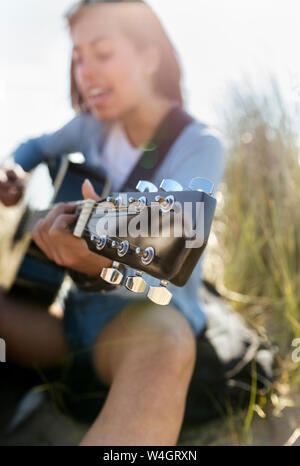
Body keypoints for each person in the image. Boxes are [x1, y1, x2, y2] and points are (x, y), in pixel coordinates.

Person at [0, 0, 224, 445]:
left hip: (140, 327)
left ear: (149, 57)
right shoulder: (92, 129)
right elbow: (35, 145)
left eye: (102, 54)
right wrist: (13, 169)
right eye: (78, 57)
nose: (84, 71)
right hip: (69, 327)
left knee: (164, 348)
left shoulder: (197, 144)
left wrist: (94, 263)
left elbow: (173, 238)